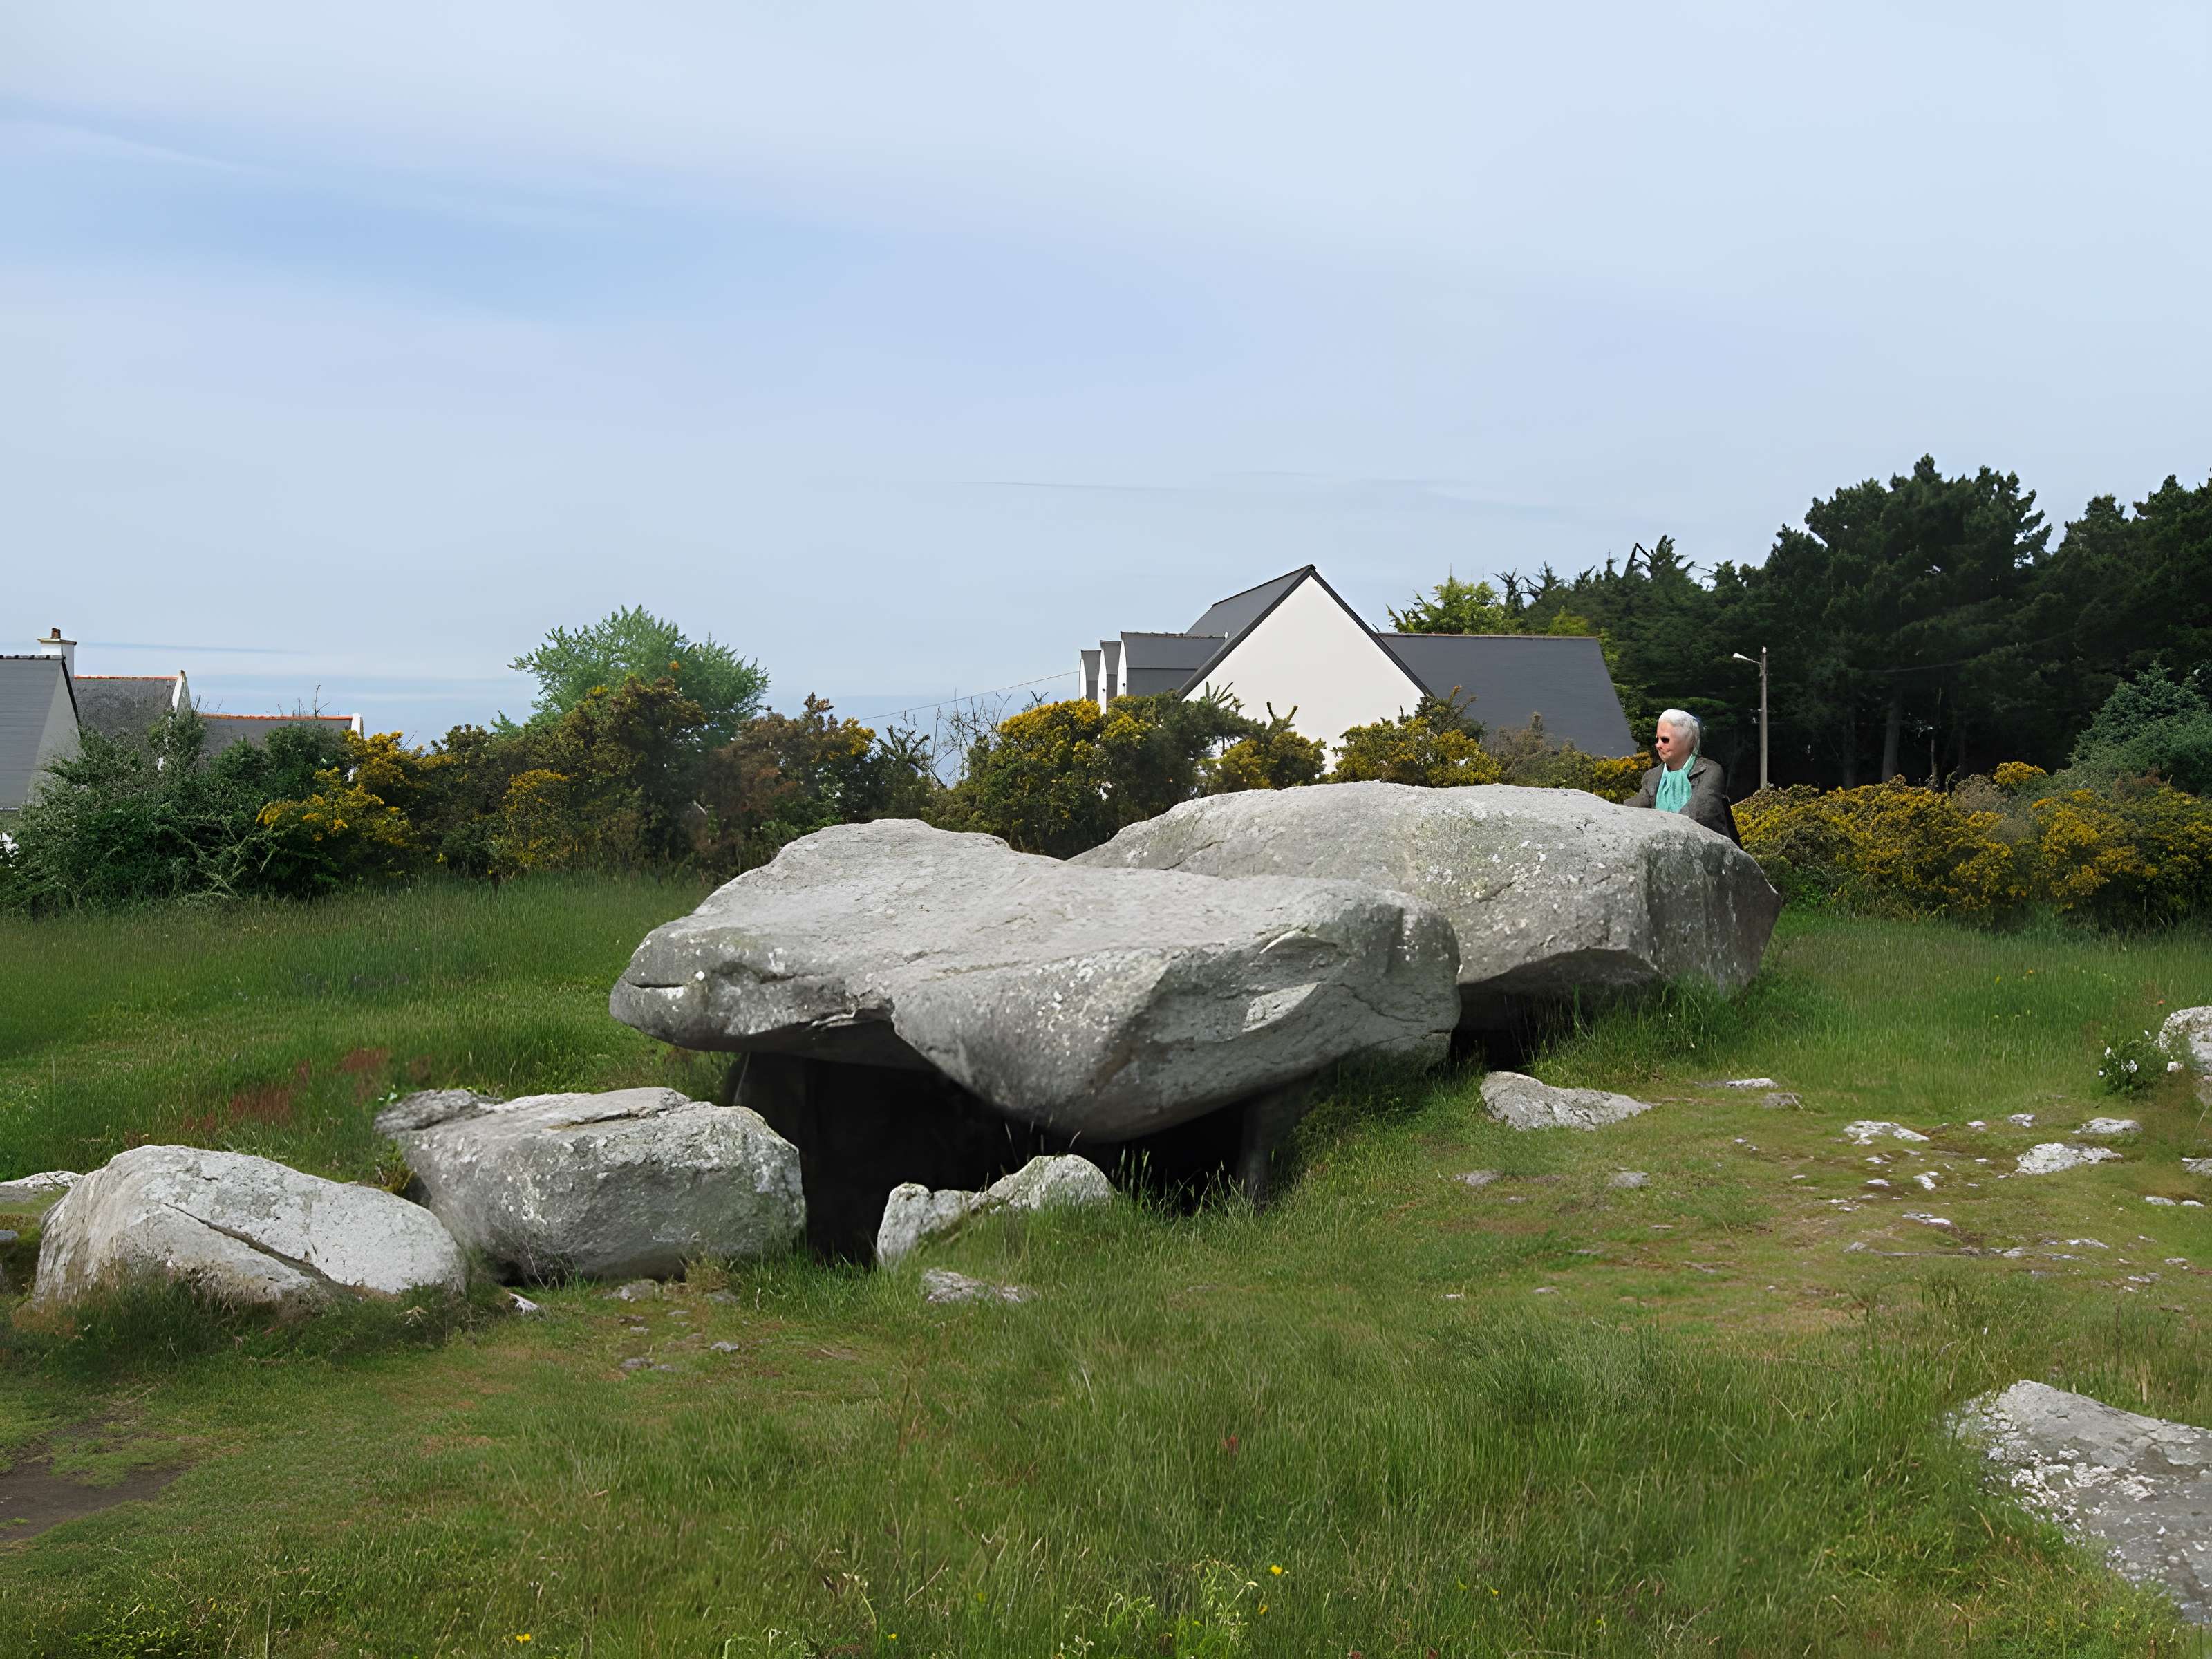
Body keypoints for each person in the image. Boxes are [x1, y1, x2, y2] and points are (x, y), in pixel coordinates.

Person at [1627, 709, 1740, 843]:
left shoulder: (1709, 771)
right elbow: (1633, 811)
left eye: (1665, 740)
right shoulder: (1652, 777)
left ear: (1687, 742)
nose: (1658, 745)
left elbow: (1701, 813)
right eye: (1657, 739)